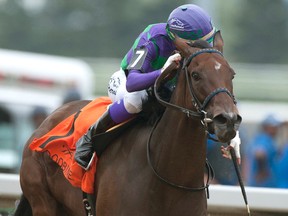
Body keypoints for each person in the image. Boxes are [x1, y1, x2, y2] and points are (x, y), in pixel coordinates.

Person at [75, 4, 241, 170]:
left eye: (209, 40)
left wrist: (233, 131)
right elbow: (132, 83)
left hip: (168, 87)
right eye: (200, 44)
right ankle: (90, 137)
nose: (207, 47)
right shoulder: (153, 38)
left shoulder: (205, 48)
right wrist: (162, 71)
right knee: (136, 100)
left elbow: (218, 87)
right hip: (129, 82)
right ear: (177, 39)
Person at [246, 114, 281, 187]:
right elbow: (259, 153)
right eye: (274, 127)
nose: (277, 129)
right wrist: (262, 172)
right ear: (266, 127)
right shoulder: (264, 139)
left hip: (260, 184)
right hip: (263, 184)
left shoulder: (258, 138)